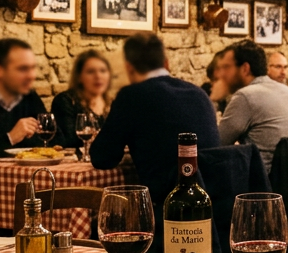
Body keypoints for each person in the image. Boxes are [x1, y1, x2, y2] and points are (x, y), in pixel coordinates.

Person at [90, 33, 220, 239]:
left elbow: (101, 158)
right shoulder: (198, 94)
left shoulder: (131, 96)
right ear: (166, 63)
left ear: (129, 67)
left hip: (166, 213)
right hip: (212, 209)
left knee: (101, 223)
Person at [217, 41, 288, 171]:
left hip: (264, 181)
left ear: (245, 68)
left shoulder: (245, 96)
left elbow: (219, 143)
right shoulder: (286, 90)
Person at [52, 50, 113, 149]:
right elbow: (68, 141)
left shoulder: (114, 102)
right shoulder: (65, 101)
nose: (98, 76)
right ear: (79, 77)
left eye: (103, 71)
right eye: (90, 71)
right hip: (76, 162)